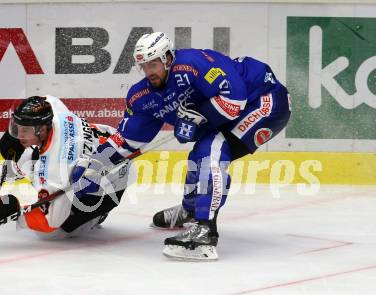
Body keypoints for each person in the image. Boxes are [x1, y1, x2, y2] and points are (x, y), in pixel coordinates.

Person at [73, 32, 291, 261]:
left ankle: (205, 231)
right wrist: (96, 163)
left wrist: (200, 118)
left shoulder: (194, 64)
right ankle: (191, 210)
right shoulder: (142, 96)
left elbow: (235, 99)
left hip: (265, 100)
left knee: (210, 150)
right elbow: (128, 139)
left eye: (153, 64)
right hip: (238, 109)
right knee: (200, 153)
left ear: (167, 58)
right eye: (143, 66)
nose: (149, 72)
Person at [0, 95, 128, 238]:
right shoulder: (53, 112)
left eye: (24, 130)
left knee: (53, 234)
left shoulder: (55, 169)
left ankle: (96, 217)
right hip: (111, 142)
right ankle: (13, 170)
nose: (19, 133)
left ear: (42, 129)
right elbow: (46, 99)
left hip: (108, 186)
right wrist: (12, 135)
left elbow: (51, 221)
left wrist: (14, 212)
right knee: (33, 150)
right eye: (17, 127)